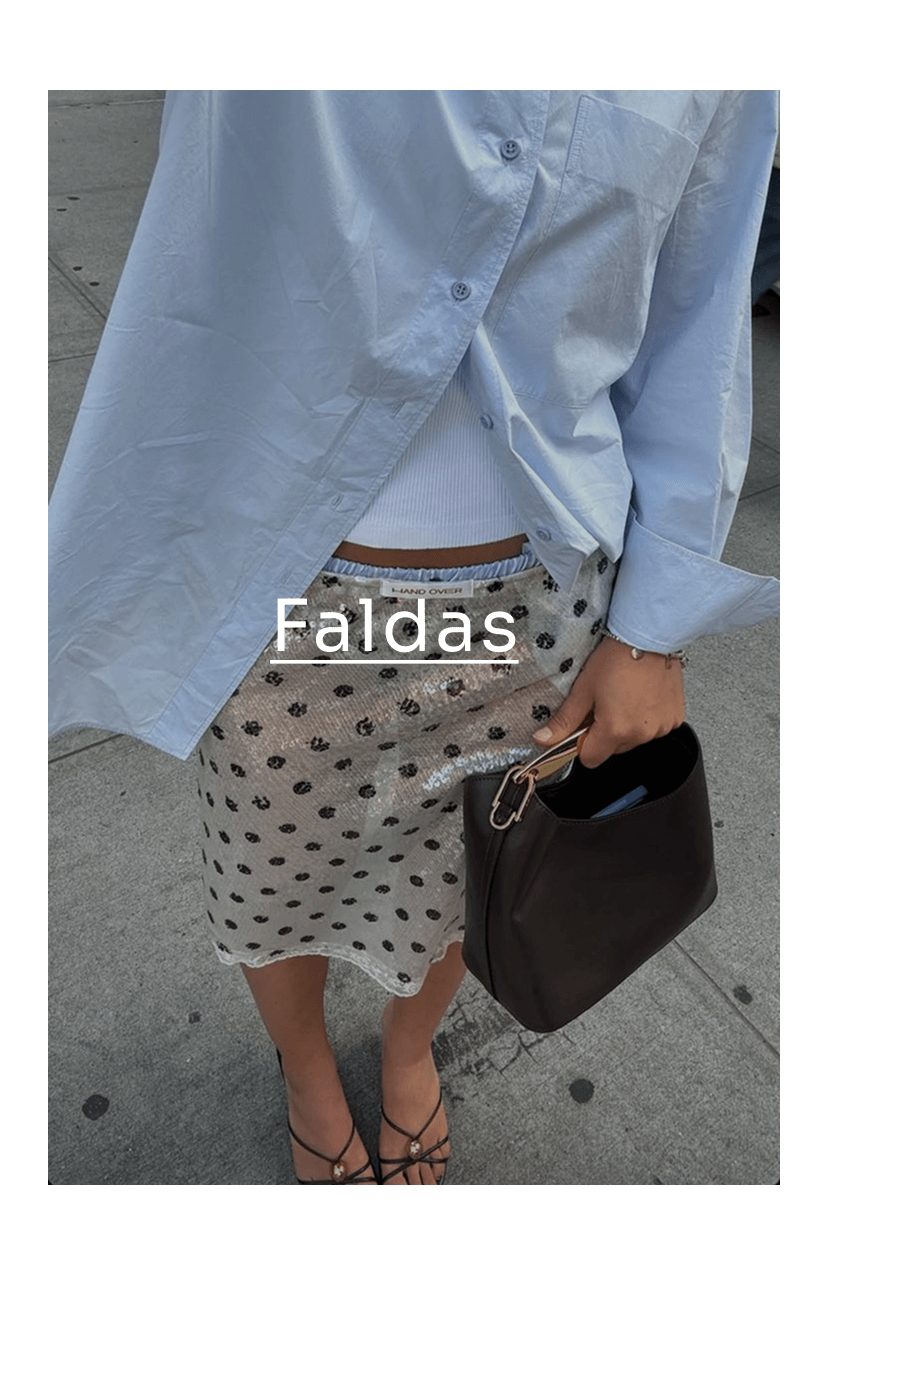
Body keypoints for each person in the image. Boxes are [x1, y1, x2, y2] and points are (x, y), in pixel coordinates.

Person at [49, 91, 780, 1185]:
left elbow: (700, 313)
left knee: (469, 882)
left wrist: (654, 633)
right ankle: (305, 1067)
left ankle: (406, 1049)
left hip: (538, 604)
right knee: (269, 881)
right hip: (286, 590)